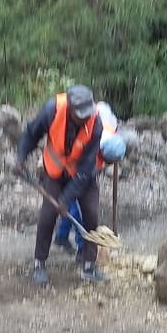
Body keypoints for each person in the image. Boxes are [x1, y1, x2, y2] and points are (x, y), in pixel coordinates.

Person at [15, 84, 108, 285]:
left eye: (87, 114)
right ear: (70, 109)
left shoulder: (96, 124)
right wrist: (21, 157)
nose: (85, 118)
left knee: (91, 214)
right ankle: (39, 263)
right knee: (48, 215)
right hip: (55, 171)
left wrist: (65, 200)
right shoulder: (52, 110)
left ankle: (89, 266)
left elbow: (85, 170)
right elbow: (32, 133)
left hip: (83, 175)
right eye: (80, 116)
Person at [54, 102, 125, 258]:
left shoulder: (110, 131)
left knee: (73, 203)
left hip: (83, 161)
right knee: (78, 207)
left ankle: (61, 236)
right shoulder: (90, 137)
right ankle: (82, 248)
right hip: (70, 162)